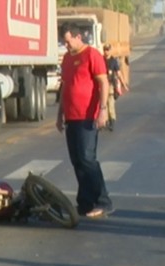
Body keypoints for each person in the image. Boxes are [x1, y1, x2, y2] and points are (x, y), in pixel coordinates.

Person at [55, 22, 113, 219]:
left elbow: (103, 82)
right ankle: (85, 202)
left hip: (88, 116)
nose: (67, 46)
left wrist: (103, 110)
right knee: (77, 161)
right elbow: (65, 88)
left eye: (68, 41)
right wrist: (59, 114)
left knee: (88, 160)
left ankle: (102, 201)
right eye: (64, 43)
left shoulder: (92, 55)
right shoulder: (67, 59)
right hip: (72, 117)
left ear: (78, 37)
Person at [102, 44, 129, 131]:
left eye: (107, 50)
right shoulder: (101, 60)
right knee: (103, 104)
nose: (106, 51)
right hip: (102, 86)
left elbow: (118, 73)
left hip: (110, 85)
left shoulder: (113, 61)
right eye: (105, 49)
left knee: (110, 105)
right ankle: (104, 121)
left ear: (110, 50)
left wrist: (123, 84)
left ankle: (112, 121)